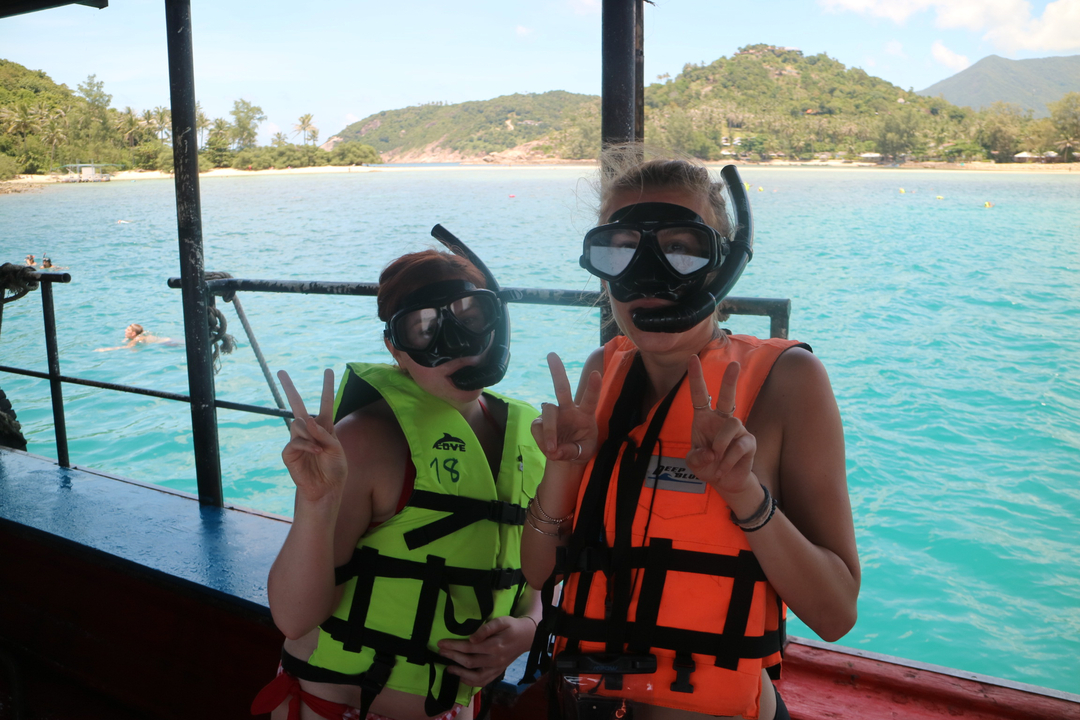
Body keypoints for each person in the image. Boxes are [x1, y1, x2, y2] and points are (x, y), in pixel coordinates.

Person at [521, 145, 860, 720]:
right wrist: (561, 469)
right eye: (621, 249)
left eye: (680, 249)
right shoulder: (602, 375)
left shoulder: (789, 382)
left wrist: (744, 495)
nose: (647, 276)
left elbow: (834, 614)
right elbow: (540, 572)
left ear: (724, 263)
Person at [253, 236, 545, 720]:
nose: (453, 344)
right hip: (340, 706)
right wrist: (316, 502)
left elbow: (533, 586)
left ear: (499, 322)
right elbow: (294, 617)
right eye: (424, 328)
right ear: (395, 347)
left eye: (471, 315)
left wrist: (527, 631)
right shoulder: (367, 442)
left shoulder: (529, 439)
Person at [94, 323, 172, 351]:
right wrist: (126, 338)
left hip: (167, 343)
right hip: (167, 340)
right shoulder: (142, 334)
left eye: (127, 330)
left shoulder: (137, 339)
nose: (125, 330)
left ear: (133, 333)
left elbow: (128, 347)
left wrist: (106, 349)